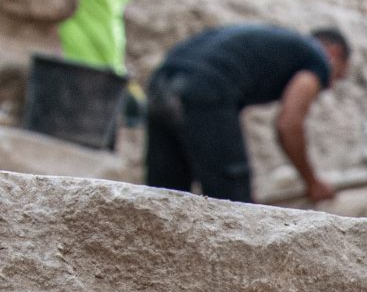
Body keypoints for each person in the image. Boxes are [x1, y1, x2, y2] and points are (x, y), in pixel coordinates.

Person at [144, 23, 350, 204]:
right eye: (336, 76)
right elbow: (289, 124)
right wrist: (312, 182)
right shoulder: (316, 58)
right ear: (333, 52)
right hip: (205, 87)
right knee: (230, 204)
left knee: (166, 199)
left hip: (162, 82)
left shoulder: (279, 43)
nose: (329, 86)